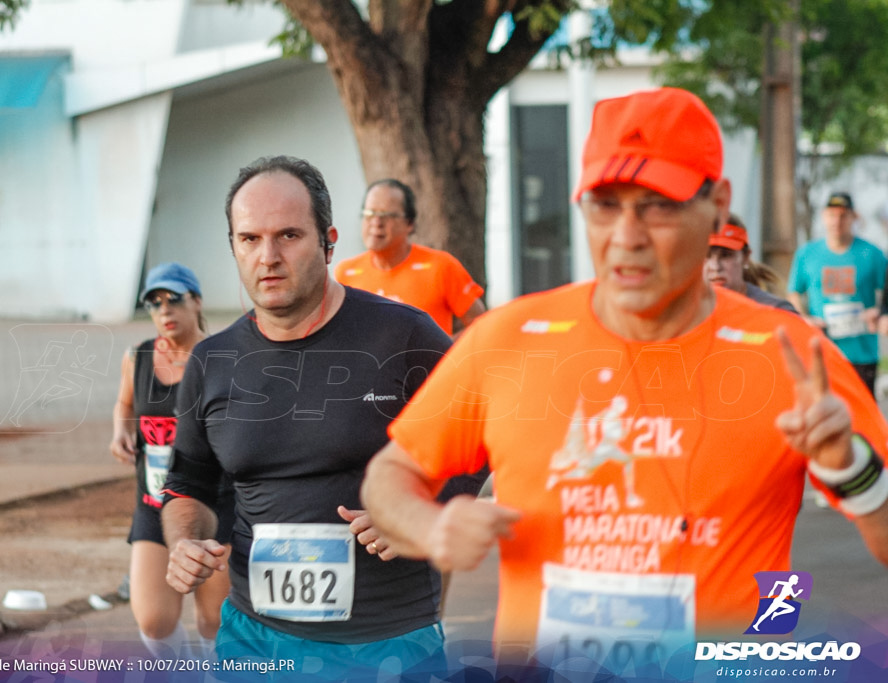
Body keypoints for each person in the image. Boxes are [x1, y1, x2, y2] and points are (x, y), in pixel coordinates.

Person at [360, 88, 888, 667]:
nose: (627, 235)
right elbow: (390, 475)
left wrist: (849, 467)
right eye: (605, 205)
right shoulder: (509, 338)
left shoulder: (788, 353)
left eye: (657, 205)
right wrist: (430, 527)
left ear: (717, 204)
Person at [160, 156, 453, 677]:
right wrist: (184, 542)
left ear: (329, 241)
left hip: (385, 640)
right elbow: (187, 486)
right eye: (249, 239)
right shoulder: (212, 361)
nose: (268, 257)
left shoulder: (405, 337)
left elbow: (484, 437)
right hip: (253, 639)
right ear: (233, 247)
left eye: (288, 235)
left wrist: (422, 509)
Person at [109, 262, 233, 659]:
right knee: (154, 620)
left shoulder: (222, 358)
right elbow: (124, 404)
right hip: (154, 504)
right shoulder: (137, 356)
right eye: (154, 302)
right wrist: (122, 430)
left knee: (215, 618)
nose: (164, 310)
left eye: (174, 299)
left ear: (196, 302)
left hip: (214, 504)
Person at [334, 178, 486, 336]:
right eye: (370, 213)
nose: (376, 222)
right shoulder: (346, 272)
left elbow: (480, 323)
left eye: (387, 215)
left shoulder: (441, 266)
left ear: (410, 223)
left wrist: (445, 351)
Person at [787, 192, 888, 395]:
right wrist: (805, 318)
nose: (837, 221)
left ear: (853, 217)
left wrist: (881, 313)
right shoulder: (807, 254)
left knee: (861, 422)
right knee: (823, 418)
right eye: (832, 215)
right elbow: (794, 293)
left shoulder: (872, 253)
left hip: (862, 354)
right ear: (824, 216)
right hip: (822, 352)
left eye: (843, 215)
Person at [704, 215, 796, 312]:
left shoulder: (776, 310)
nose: (715, 267)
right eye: (705, 256)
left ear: (745, 257)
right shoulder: (689, 315)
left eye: (726, 255)